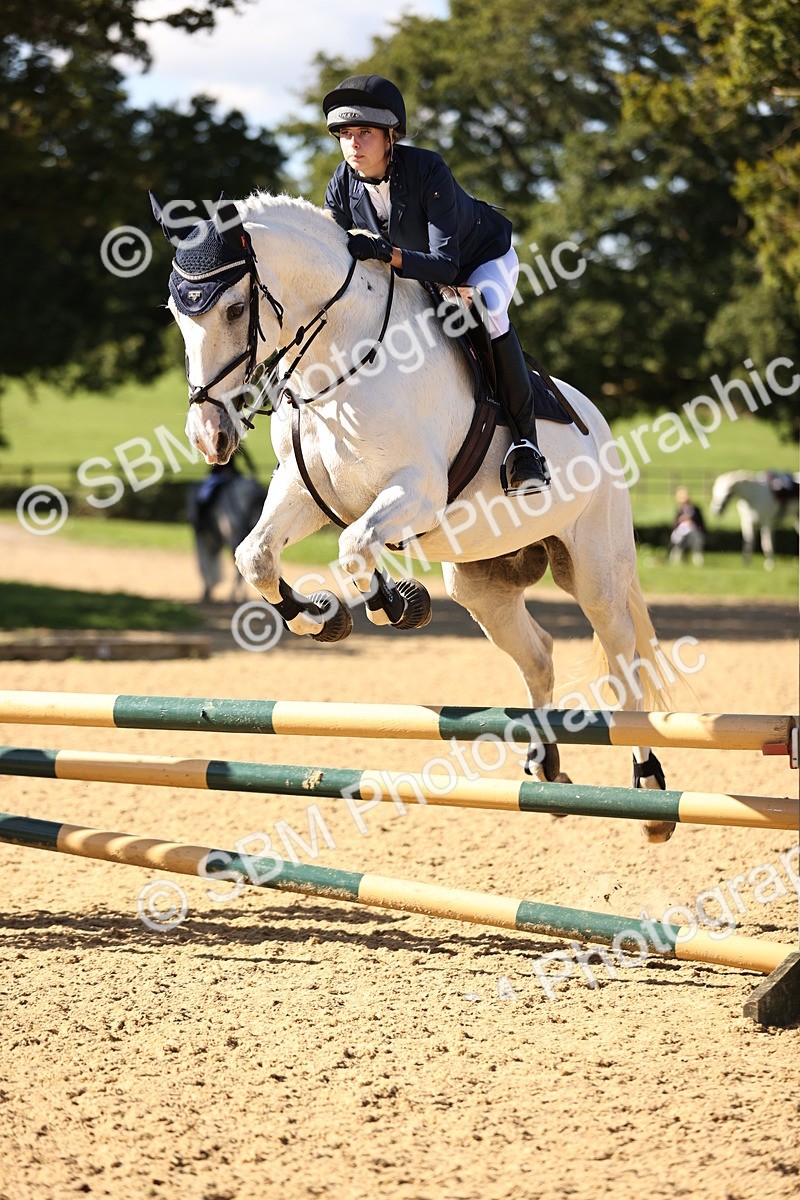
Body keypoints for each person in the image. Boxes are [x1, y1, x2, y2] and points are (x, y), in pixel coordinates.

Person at [322, 74, 551, 496]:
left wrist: (385, 253)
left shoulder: (428, 169)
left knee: (487, 311)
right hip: (415, 271)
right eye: (345, 134)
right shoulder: (342, 183)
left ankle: (525, 447)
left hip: (479, 261)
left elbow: (447, 266)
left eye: (366, 133)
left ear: (391, 136)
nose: (353, 144)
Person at [669, 487, 706, 566]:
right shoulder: (679, 510)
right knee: (678, 541)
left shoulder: (696, 509)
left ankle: (697, 560)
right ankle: (676, 560)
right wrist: (680, 520)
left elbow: (702, 523)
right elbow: (673, 525)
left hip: (694, 532)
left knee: (697, 541)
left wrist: (692, 522)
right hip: (681, 533)